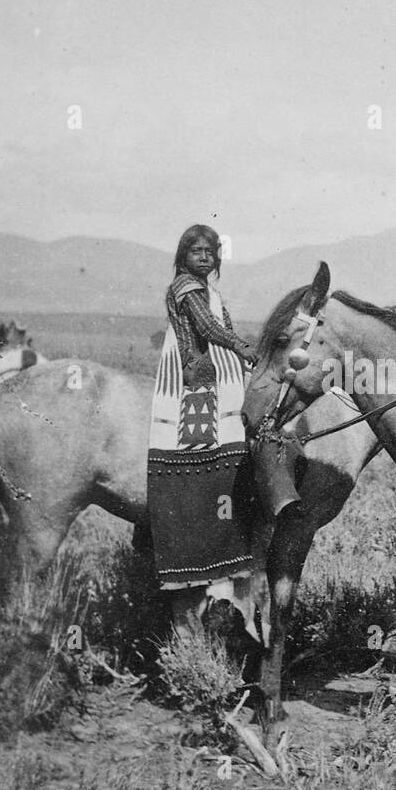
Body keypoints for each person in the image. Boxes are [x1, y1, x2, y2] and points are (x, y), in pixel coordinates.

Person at [147, 224, 259, 638]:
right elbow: (209, 330)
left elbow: (218, 326)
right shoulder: (185, 288)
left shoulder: (210, 291)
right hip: (195, 382)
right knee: (199, 451)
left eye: (211, 250)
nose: (205, 256)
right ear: (183, 254)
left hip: (214, 381)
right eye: (196, 250)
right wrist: (245, 347)